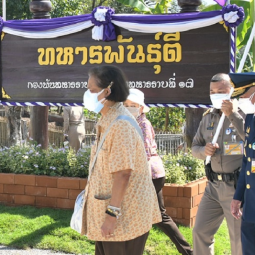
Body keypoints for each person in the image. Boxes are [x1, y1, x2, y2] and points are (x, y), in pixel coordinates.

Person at [81, 66, 161, 255]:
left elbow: (123, 173)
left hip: (124, 219)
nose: (87, 94)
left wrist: (111, 215)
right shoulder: (109, 119)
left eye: (92, 91)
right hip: (115, 216)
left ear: (107, 91)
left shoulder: (121, 124)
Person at [124, 88, 193, 255]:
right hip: (148, 175)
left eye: (133, 105)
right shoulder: (130, 122)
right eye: (126, 105)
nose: (129, 108)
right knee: (157, 216)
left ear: (141, 107)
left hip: (149, 175)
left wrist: (140, 180)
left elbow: (145, 153)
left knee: (148, 216)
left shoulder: (143, 124)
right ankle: (189, 251)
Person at [191, 73, 245, 255]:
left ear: (232, 91)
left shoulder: (245, 114)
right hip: (213, 186)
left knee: (238, 238)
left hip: (236, 187)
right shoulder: (208, 117)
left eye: (221, 91)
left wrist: (233, 115)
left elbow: (251, 139)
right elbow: (194, 148)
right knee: (200, 232)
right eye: (212, 91)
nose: (216, 95)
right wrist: (203, 151)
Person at [230, 72, 255, 255]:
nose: (241, 101)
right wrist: (238, 196)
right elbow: (247, 160)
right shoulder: (251, 119)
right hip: (250, 204)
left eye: (244, 96)